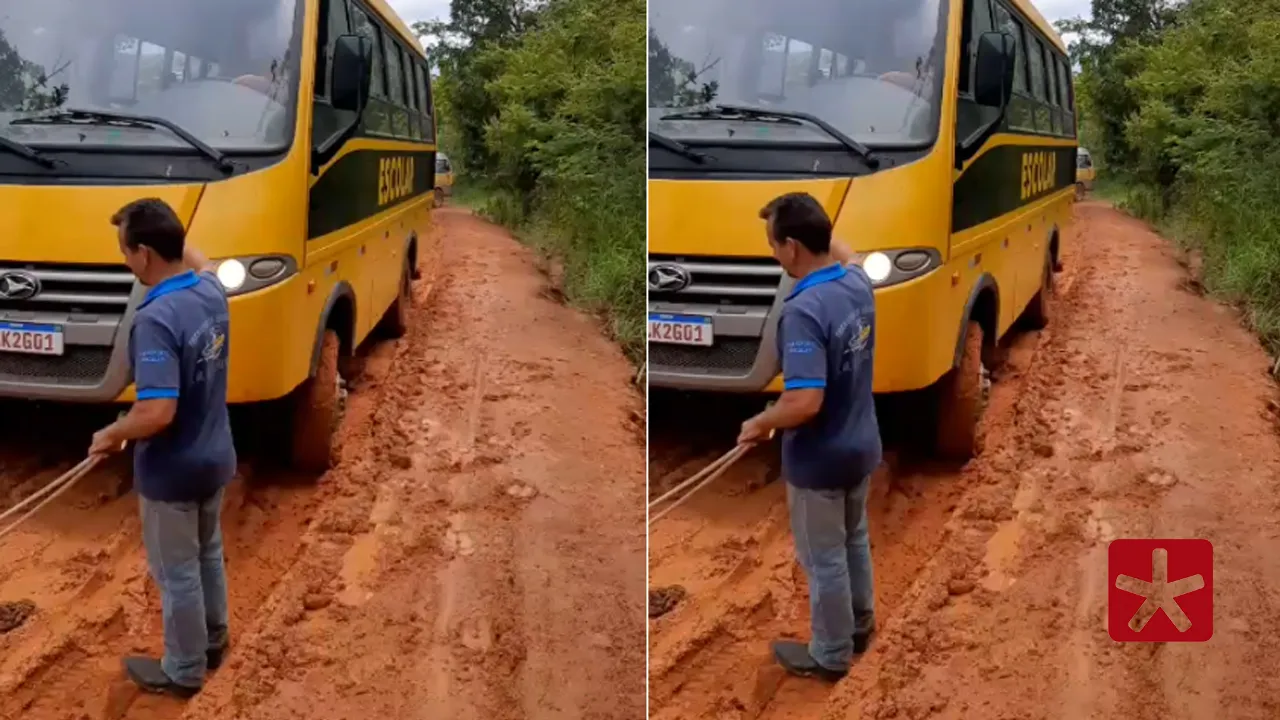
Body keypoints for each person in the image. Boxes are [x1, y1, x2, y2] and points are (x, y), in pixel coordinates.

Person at [88, 198, 236, 698]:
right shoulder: (211, 293)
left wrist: (113, 434)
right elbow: (206, 263)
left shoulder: (155, 318)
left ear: (145, 254)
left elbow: (157, 412)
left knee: (177, 575)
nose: (125, 261)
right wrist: (179, 242)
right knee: (208, 553)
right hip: (215, 455)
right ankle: (215, 640)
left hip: (173, 471)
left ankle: (184, 669)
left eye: (126, 251)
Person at [737, 192, 882, 682]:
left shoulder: (803, 310)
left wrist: (761, 423)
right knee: (854, 538)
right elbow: (852, 255)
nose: (774, 254)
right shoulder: (857, 284)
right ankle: (861, 625)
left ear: (793, 247)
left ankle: (831, 653)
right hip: (861, 443)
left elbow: (804, 402)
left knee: (824, 561)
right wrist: (825, 236)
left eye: (775, 244)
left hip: (820, 458)